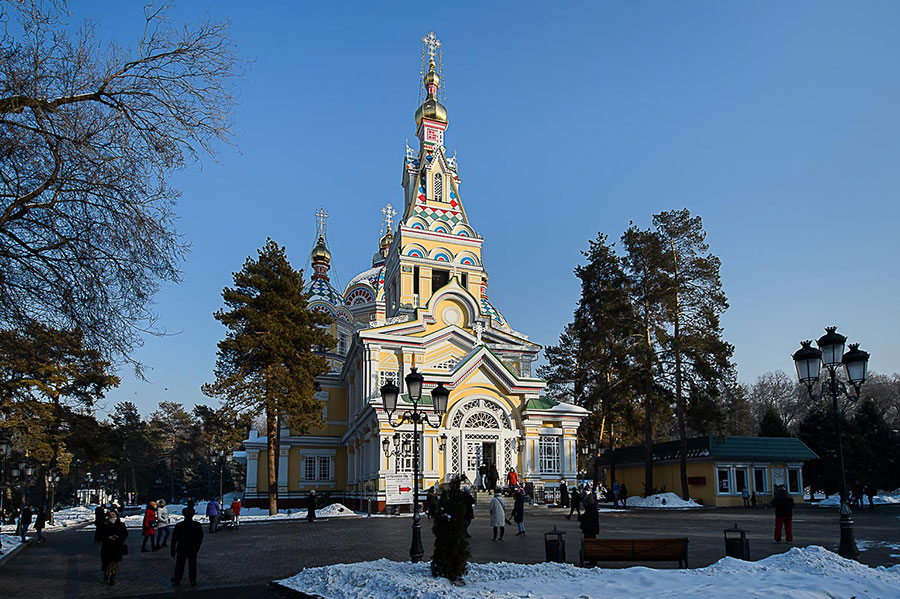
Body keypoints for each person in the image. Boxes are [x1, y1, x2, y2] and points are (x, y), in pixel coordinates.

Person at [170, 507, 204, 587]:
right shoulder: (197, 525)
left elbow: (174, 538)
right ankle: (193, 580)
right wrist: (198, 546)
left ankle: (177, 578)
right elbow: (200, 537)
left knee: (180, 564)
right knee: (192, 565)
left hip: (182, 547)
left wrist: (172, 549)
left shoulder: (179, 525)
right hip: (193, 548)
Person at [99, 509, 128, 586]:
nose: (111, 516)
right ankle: (106, 573)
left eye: (113, 515)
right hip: (107, 547)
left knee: (114, 563)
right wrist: (108, 537)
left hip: (117, 546)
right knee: (107, 562)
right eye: (110, 515)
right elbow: (100, 535)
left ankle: (112, 577)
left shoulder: (121, 524)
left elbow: (125, 534)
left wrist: (119, 537)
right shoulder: (105, 525)